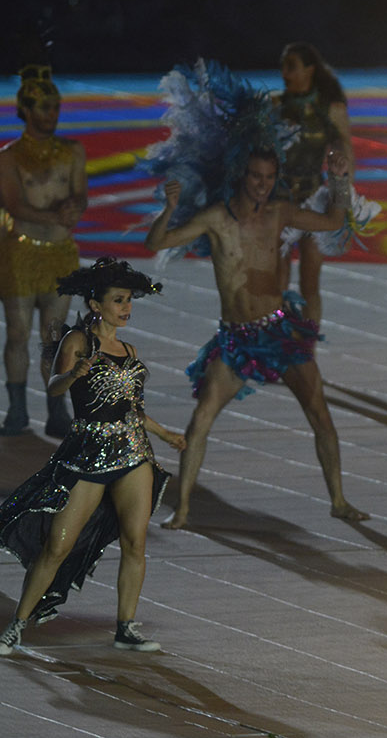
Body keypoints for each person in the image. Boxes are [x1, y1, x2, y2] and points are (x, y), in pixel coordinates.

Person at [144, 154, 368, 528]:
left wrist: (340, 181)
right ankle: (181, 509)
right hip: (235, 340)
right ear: (241, 176)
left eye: (269, 177)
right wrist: (169, 209)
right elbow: (157, 242)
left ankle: (339, 501)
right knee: (200, 421)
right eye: (255, 176)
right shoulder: (217, 218)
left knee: (321, 416)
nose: (262, 184)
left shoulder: (279, 213)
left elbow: (331, 222)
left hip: (279, 333)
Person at [0, 258, 184, 655]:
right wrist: (72, 375)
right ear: (95, 304)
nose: (126, 307)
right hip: (87, 457)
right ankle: (17, 625)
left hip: (134, 453)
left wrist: (165, 433)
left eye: (129, 300)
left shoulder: (129, 349)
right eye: (118, 300)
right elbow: (53, 388)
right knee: (57, 548)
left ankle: (126, 626)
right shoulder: (79, 342)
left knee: (135, 543)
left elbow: (131, 407)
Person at [0, 64, 83, 437]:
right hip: (21, 252)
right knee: (18, 333)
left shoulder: (73, 151)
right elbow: (15, 206)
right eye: (44, 108)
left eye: (55, 107)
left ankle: (57, 409)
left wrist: (75, 207)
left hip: (60, 252)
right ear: (26, 110)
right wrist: (57, 213)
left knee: (55, 337)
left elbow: (80, 192)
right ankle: (17, 409)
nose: (52, 115)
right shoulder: (9, 157)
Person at [273, 42, 354, 326]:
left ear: (310, 69)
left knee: (310, 285)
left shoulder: (330, 109)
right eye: (283, 66)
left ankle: (306, 353)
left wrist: (344, 201)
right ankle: (279, 346)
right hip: (278, 204)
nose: (284, 73)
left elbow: (345, 158)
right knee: (277, 284)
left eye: (291, 66)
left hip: (313, 201)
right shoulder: (274, 107)